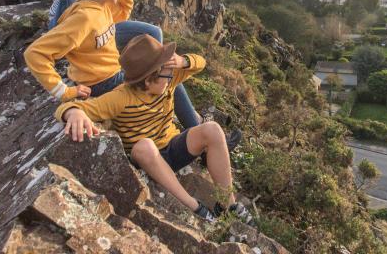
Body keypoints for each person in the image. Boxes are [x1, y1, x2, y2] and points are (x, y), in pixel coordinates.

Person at [39, 0, 235, 144]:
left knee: (154, 38)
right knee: (82, 1)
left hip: (103, 23)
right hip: (70, 26)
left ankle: (189, 123)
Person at [54, 34, 254, 224]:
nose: (170, 78)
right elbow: (71, 107)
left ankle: (229, 205)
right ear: (148, 80)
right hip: (149, 161)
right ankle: (196, 208)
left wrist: (183, 61)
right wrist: (74, 113)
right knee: (144, 147)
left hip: (173, 147)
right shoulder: (120, 98)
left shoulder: (168, 82)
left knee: (212, 129)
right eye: (165, 75)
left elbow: (200, 63)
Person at [25, 0, 133, 101]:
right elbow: (34, 53)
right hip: (100, 83)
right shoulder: (84, 18)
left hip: (109, 74)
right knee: (158, 83)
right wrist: (63, 91)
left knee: (159, 75)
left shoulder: (102, 5)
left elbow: (120, 16)